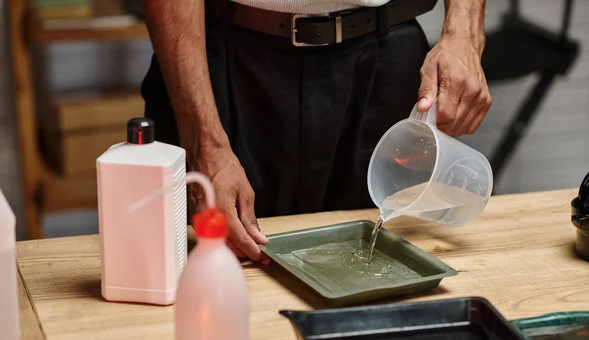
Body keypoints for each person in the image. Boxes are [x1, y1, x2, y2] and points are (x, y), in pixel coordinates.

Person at [140, 0, 491, 263]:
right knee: (219, 264)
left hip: (387, 58)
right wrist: (204, 142)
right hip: (223, 63)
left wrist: (464, 34)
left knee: (396, 271)